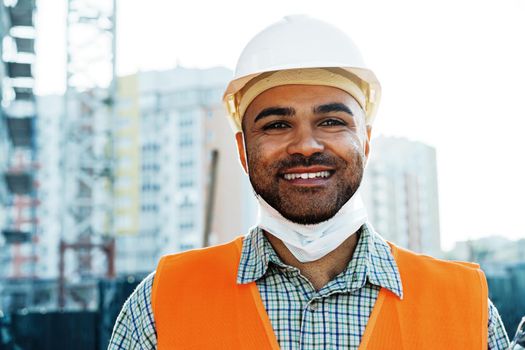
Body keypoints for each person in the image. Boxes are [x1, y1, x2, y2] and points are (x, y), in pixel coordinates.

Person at [108, 15, 509, 349]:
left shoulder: (465, 309)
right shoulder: (161, 304)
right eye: (277, 124)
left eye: (331, 121)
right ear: (242, 149)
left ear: (366, 141)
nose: (305, 145)